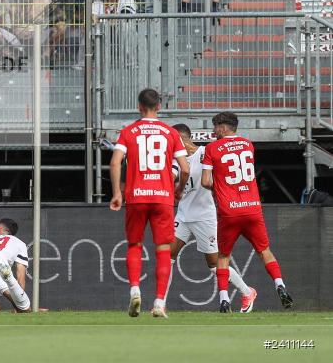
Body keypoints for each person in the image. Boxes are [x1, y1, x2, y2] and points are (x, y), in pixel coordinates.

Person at [109, 88, 190, 318]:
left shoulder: (128, 131)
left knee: (134, 245)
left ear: (139, 107)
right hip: (162, 196)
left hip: (136, 196)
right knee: (164, 249)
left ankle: (135, 289)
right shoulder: (170, 132)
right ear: (160, 107)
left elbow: (115, 163)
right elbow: (184, 168)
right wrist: (179, 190)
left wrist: (117, 192)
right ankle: (158, 302)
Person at [201, 111, 293, 312]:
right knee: (264, 251)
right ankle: (280, 285)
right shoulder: (248, 145)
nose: (213, 131)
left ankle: (224, 300)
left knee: (223, 257)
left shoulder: (212, 148)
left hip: (229, 211)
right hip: (252, 208)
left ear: (223, 127)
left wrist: (220, 186)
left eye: (215, 127)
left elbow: (206, 181)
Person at [168, 123, 257, 313]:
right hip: (183, 215)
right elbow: (173, 173)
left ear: (182, 139)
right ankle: (161, 304)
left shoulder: (206, 153)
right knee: (167, 256)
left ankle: (247, 291)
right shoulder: (177, 159)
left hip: (204, 217)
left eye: (172, 140)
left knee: (214, 265)